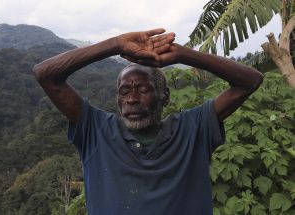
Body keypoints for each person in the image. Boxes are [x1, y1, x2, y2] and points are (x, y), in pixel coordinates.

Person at [33, 28, 263, 215]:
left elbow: (250, 81)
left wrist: (182, 54)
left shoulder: (193, 129)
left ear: (165, 96)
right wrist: (115, 44)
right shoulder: (97, 130)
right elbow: (46, 74)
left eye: (143, 89)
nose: (132, 99)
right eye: (124, 92)